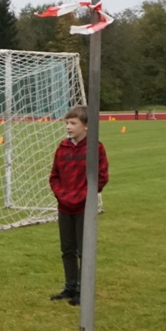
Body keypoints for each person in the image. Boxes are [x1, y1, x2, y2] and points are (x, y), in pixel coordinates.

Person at [48, 105, 109, 304]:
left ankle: (83, 290)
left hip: (84, 207)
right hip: (64, 206)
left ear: (86, 126)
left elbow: (101, 177)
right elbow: (54, 176)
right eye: (67, 123)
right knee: (67, 249)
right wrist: (61, 195)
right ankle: (70, 287)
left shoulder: (95, 148)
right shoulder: (62, 148)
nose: (68, 127)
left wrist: (84, 196)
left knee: (84, 250)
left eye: (73, 123)